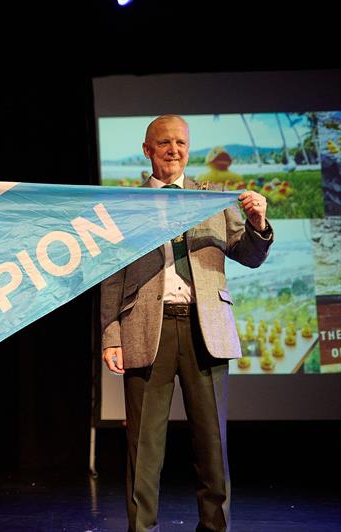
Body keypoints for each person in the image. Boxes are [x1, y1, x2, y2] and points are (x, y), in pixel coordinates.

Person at [100, 115, 273, 532]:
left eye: (180, 142)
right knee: (143, 449)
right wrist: (110, 334)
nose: (173, 149)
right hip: (146, 329)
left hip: (204, 330)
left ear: (188, 149)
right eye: (164, 143)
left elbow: (248, 254)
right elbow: (111, 276)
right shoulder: (126, 207)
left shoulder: (212, 198)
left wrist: (258, 223)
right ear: (148, 150)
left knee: (212, 446)